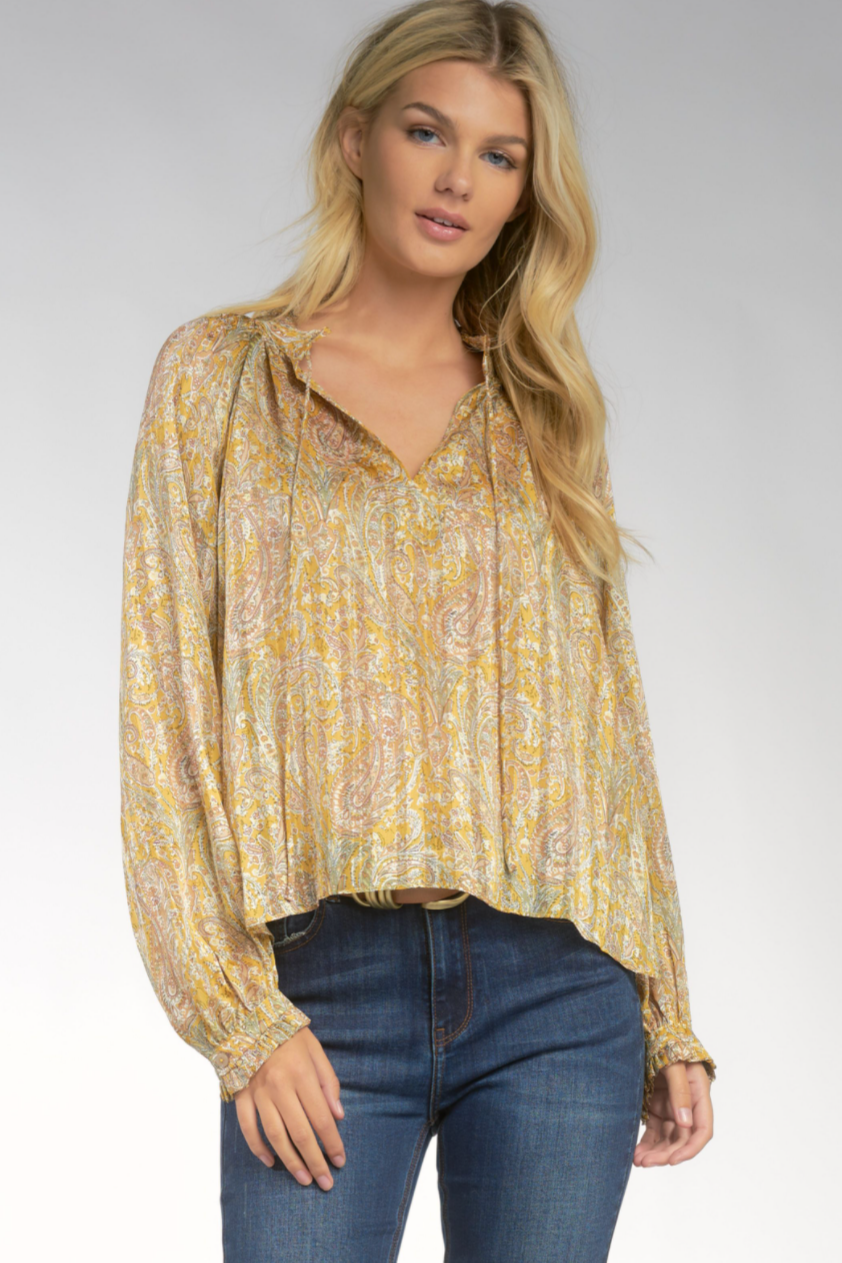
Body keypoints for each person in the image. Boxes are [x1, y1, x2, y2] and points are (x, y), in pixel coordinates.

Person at [119, 2, 716, 1258]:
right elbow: (163, 709)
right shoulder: (219, 379)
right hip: (320, 986)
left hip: (558, 990)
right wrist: (239, 1017)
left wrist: (663, 1008)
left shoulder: (542, 410)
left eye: (498, 155)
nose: (456, 180)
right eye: (425, 133)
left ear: (522, 193)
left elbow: (607, 721)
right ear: (356, 141)